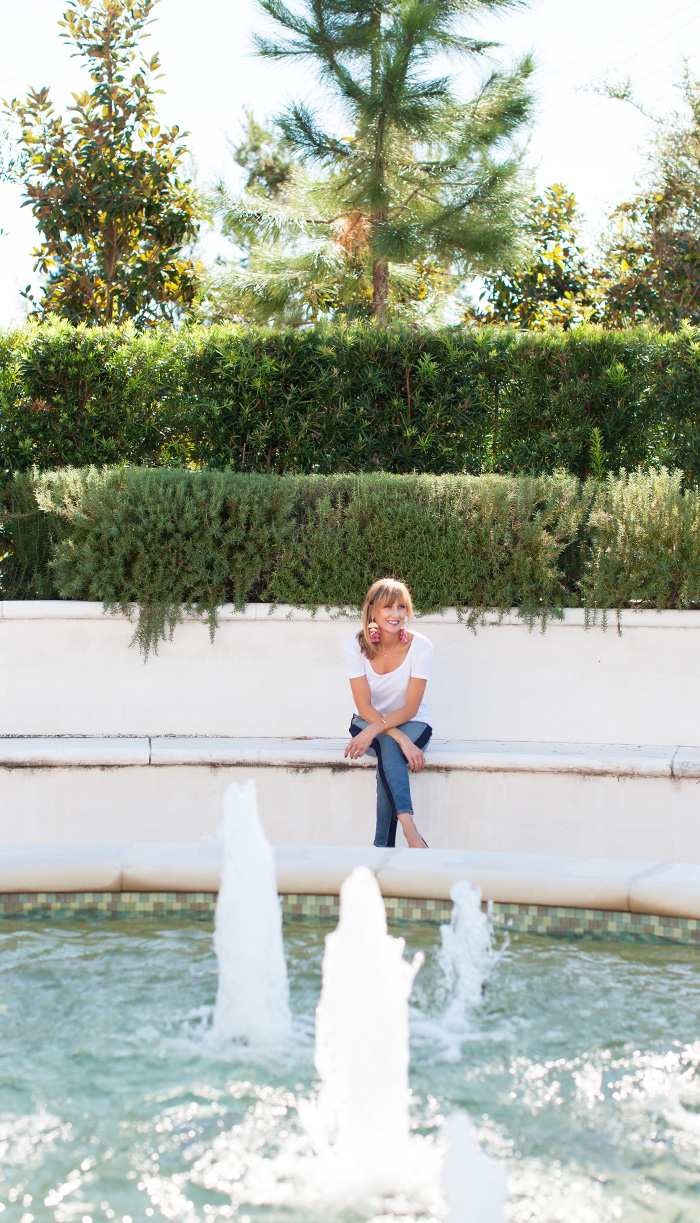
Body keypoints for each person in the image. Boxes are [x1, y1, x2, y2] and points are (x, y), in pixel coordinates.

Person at [343, 577, 433, 848]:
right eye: (388, 607)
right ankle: (410, 831)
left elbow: (411, 708)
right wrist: (400, 738)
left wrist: (379, 730)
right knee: (390, 744)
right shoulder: (355, 646)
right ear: (372, 610)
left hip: (413, 722)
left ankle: (384, 845)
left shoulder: (420, 646)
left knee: (386, 747)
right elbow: (364, 707)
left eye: (401, 607)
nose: (396, 614)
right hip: (366, 720)